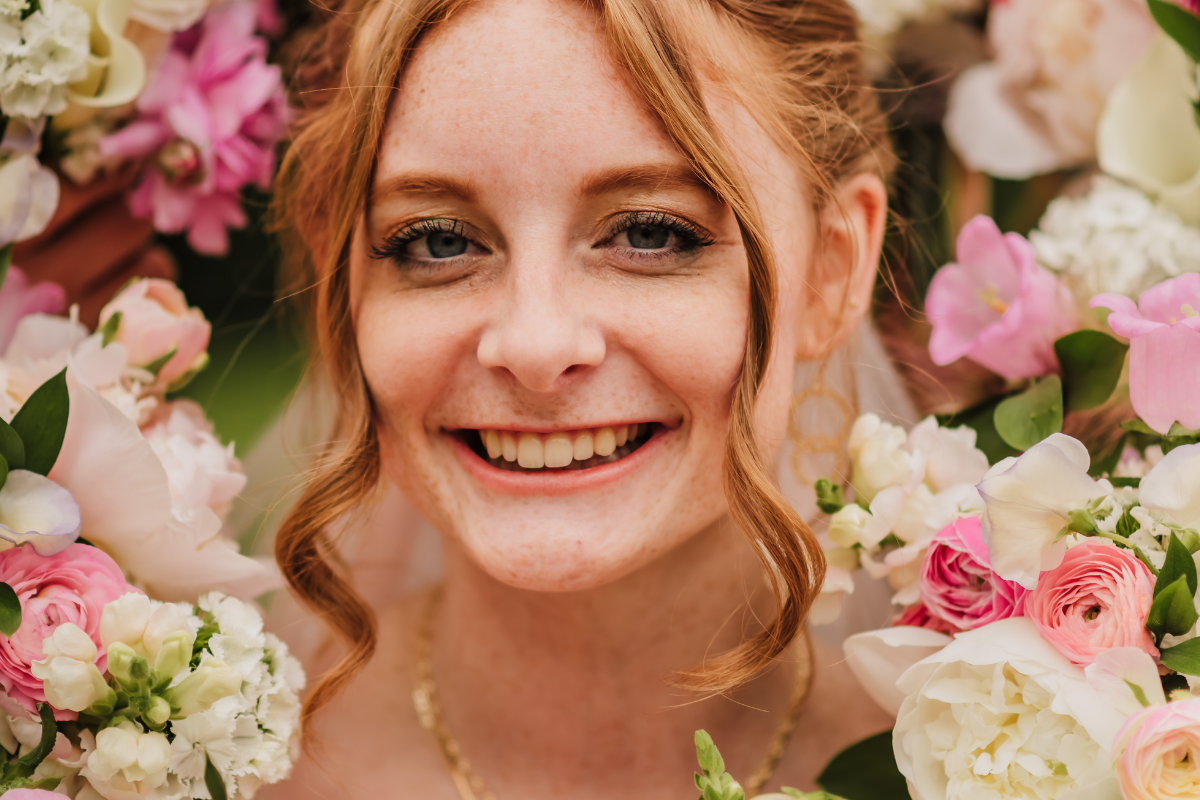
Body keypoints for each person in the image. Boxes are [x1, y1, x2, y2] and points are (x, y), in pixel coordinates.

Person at [265, 0, 897, 797]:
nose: (534, 347)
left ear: (833, 272)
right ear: (343, 281)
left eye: (648, 233)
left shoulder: (984, 764)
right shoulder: (213, 764)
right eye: (439, 241)